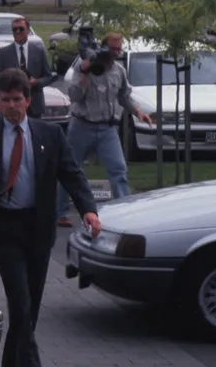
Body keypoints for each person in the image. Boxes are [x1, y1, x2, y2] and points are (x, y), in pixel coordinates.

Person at [0, 69, 100, 367]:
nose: (12, 106)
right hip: (4, 226)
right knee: (19, 298)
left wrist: (88, 209)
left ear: (27, 100)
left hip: (39, 226)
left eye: (18, 99)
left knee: (31, 302)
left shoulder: (49, 135)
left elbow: (72, 173)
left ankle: (12, 363)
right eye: (5, 100)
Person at [57, 32, 152, 228]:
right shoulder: (83, 66)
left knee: (119, 170)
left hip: (107, 128)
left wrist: (138, 112)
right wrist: (84, 72)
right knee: (70, 169)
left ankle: (124, 211)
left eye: (119, 49)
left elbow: (124, 96)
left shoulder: (119, 70)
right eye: (113, 49)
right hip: (82, 125)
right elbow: (74, 96)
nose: (117, 53)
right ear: (103, 48)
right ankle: (60, 212)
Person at [0, 17, 55, 119]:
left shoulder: (39, 51)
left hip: (34, 106)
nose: (17, 32)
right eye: (14, 29)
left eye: (21, 29)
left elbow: (48, 76)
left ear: (28, 31)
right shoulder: (3, 53)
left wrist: (36, 82)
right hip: (11, 106)